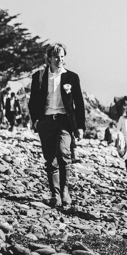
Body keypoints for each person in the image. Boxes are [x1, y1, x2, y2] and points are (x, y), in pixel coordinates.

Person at [29, 43, 86, 208]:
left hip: (64, 121)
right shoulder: (39, 76)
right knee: (50, 159)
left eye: (62, 56)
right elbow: (33, 101)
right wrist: (36, 120)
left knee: (63, 153)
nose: (60, 59)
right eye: (56, 56)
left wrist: (80, 127)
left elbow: (79, 104)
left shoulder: (72, 77)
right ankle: (55, 194)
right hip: (45, 121)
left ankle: (64, 190)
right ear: (49, 58)